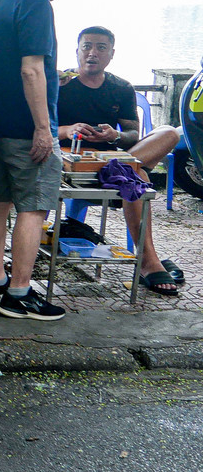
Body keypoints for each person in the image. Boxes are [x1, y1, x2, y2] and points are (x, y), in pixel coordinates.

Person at [0, 0, 74, 321]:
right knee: (34, 208)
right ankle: (19, 292)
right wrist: (43, 128)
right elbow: (30, 69)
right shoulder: (36, 4)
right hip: (26, 128)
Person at [58, 26, 183, 296]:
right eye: (87, 46)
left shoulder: (121, 87)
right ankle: (149, 262)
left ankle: (123, 170)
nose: (93, 53)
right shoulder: (61, 83)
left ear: (111, 54)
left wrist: (114, 135)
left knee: (169, 132)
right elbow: (40, 127)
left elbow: (131, 134)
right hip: (73, 163)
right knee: (138, 178)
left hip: (113, 158)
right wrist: (68, 130)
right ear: (77, 50)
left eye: (101, 47)